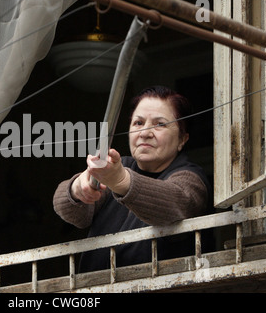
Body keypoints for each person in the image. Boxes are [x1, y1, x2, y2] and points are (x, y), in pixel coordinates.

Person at [53, 85, 212, 273]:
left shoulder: (190, 177)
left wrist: (121, 180)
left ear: (182, 139)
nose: (145, 132)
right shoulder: (120, 167)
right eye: (138, 123)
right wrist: (77, 189)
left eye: (160, 124)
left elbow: (178, 203)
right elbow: (75, 214)